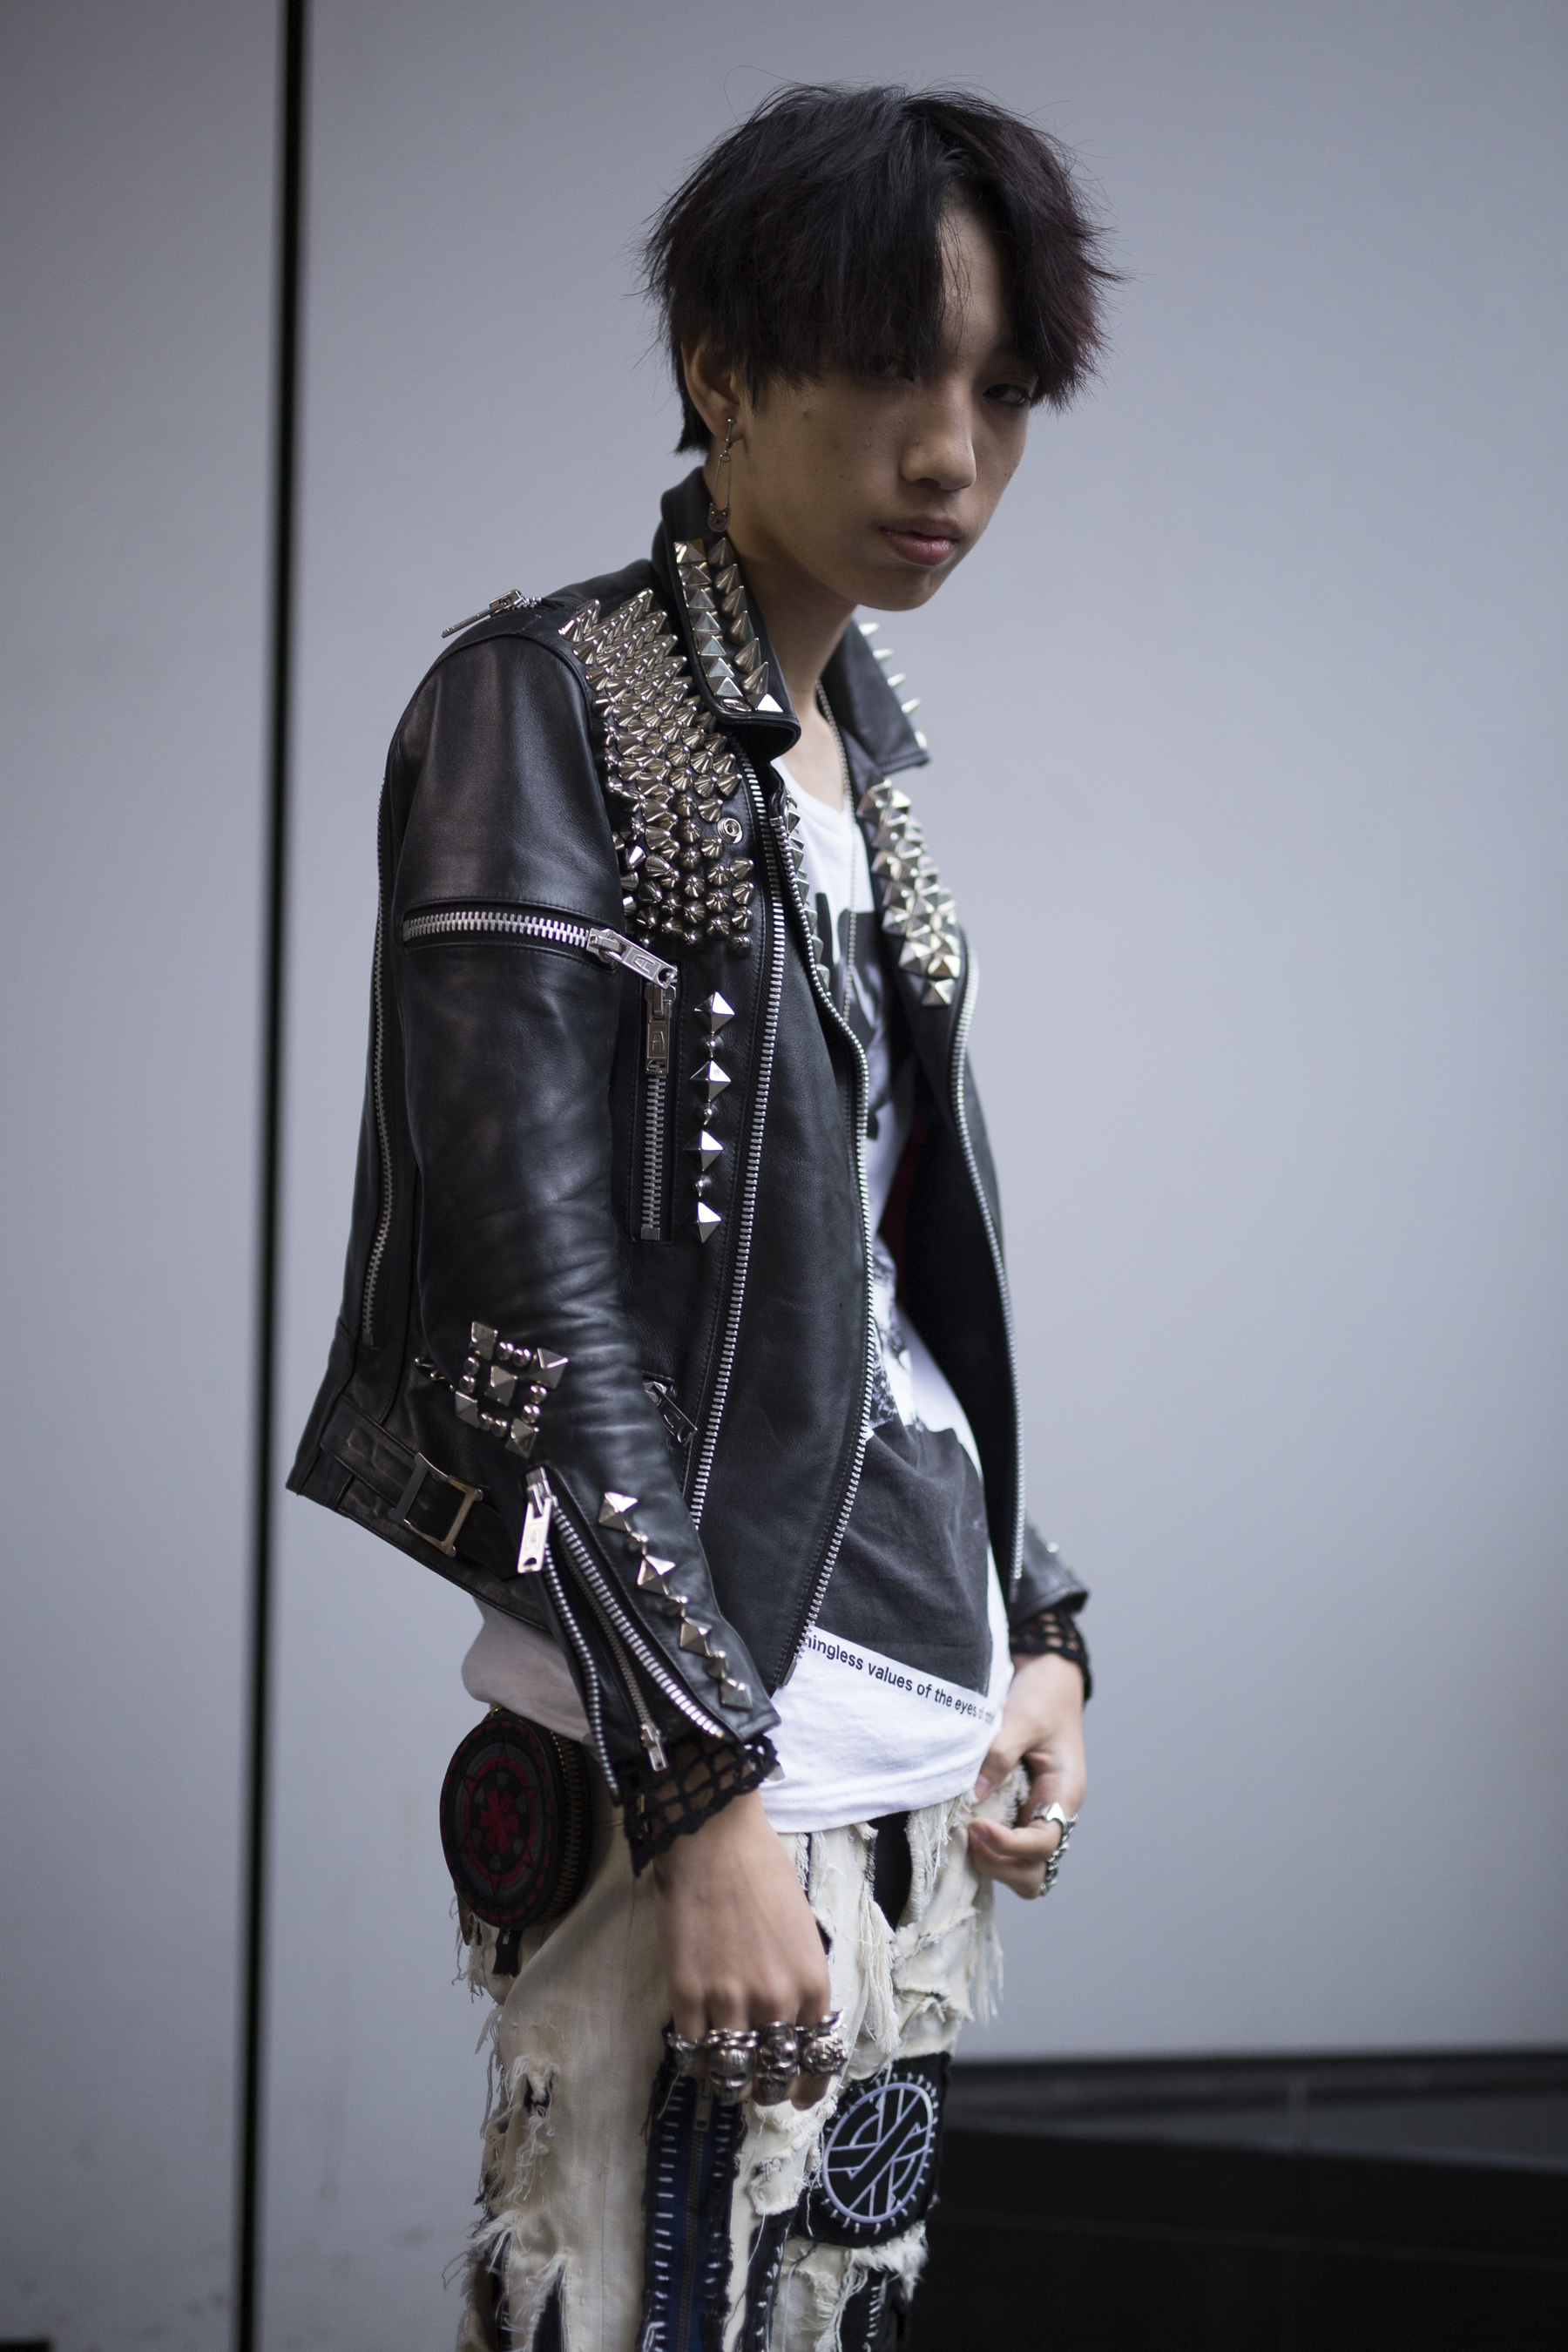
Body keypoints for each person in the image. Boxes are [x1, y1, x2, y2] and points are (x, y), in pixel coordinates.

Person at [288, 80, 1111, 2352]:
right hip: (711, 1759)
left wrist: (1038, 1619)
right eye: (890, 369)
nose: (950, 452)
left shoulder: (864, 780)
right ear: (722, 371)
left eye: (1003, 391)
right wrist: (700, 1793)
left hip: (911, 1749)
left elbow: (879, 1294)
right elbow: (536, 1304)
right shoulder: (553, 708)